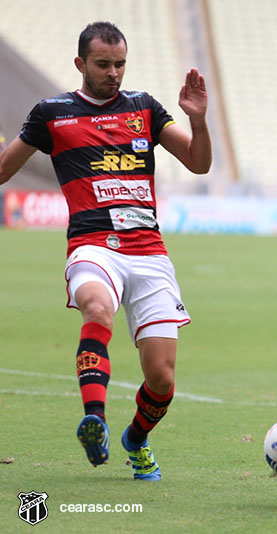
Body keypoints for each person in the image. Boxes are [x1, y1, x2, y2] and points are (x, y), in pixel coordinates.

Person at [0, 21, 212, 479]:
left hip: (150, 253)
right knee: (97, 307)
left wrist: (197, 117)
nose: (113, 73)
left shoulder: (146, 109)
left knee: (162, 379)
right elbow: (2, 170)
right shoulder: (52, 113)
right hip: (93, 245)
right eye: (103, 64)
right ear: (80, 64)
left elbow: (198, 163)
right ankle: (93, 417)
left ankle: (135, 438)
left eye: (119, 64)